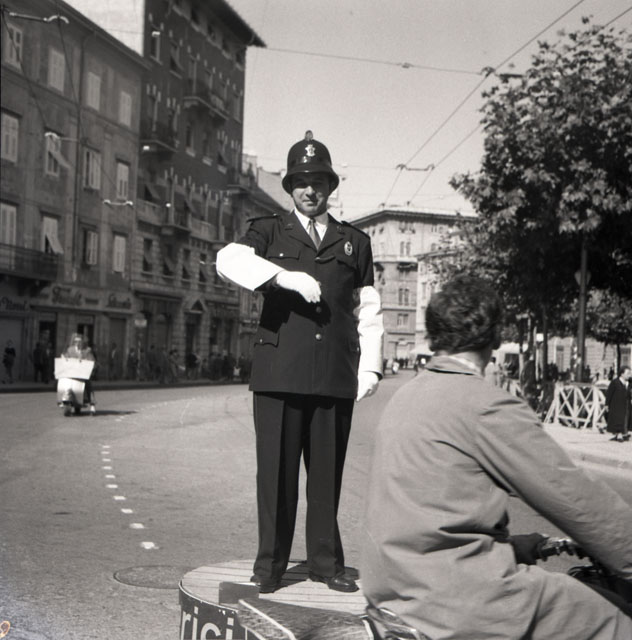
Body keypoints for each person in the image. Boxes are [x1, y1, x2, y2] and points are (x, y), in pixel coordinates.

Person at [361, 276, 632, 639]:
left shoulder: (405, 397)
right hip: (457, 605)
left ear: (434, 334)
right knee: (615, 620)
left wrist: (522, 546)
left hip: (395, 593)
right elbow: (579, 500)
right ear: (494, 337)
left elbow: (429, 519)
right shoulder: (485, 405)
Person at [217, 131, 383, 594]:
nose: (311, 190)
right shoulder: (269, 231)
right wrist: (282, 277)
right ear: (290, 186)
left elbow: (369, 307)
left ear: (331, 187)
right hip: (279, 374)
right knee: (276, 476)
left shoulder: (354, 242)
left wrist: (370, 366)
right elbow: (228, 260)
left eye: (320, 182)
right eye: (302, 182)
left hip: (333, 374)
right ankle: (269, 566)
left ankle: (326, 564)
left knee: (327, 478)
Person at [62, 333, 96, 414]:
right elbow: (66, 357)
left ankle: (92, 404)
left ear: (82, 342)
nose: (78, 343)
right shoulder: (70, 350)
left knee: (88, 384)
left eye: (80, 341)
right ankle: (64, 398)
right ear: (74, 342)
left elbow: (92, 360)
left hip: (83, 374)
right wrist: (63, 358)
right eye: (76, 341)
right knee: (64, 382)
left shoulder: (87, 350)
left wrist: (88, 362)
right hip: (72, 373)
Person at [604, 366, 631, 442]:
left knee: (626, 419)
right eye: (628, 373)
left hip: (626, 404)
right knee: (617, 419)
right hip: (616, 405)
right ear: (622, 374)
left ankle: (624, 433)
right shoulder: (615, 382)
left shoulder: (629, 383)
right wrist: (606, 404)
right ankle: (618, 434)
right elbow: (609, 393)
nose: (629, 375)